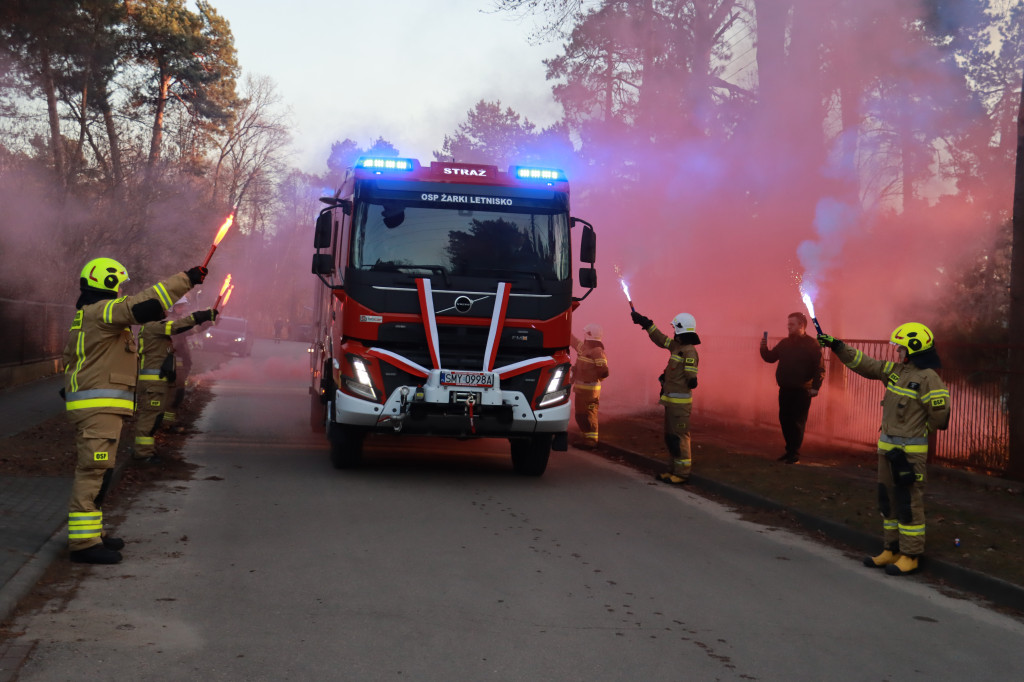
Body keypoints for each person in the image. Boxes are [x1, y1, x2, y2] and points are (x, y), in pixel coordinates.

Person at [62, 258, 207, 564]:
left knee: (101, 472)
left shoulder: (92, 315)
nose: (121, 291)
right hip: (97, 408)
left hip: (100, 407)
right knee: (93, 471)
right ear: (108, 282)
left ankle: (92, 533)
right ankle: (83, 543)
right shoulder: (101, 311)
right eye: (119, 285)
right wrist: (187, 278)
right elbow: (143, 304)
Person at [817, 322, 950, 576]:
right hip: (887, 453)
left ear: (913, 349)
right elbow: (865, 364)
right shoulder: (896, 371)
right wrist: (837, 346)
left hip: (909, 456)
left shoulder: (929, 379)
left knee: (909, 502)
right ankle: (892, 549)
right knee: (887, 500)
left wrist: (917, 432)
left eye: (900, 348)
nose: (897, 352)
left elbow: (940, 418)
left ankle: (910, 555)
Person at [133, 301, 217, 463]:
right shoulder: (153, 327)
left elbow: (183, 330)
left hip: (158, 380)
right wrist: (200, 316)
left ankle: (147, 451)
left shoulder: (155, 327)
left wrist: (205, 321)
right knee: (150, 417)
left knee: (155, 416)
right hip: (153, 382)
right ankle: (143, 453)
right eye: (162, 310)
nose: (165, 312)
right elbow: (177, 326)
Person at [630, 310, 700, 484]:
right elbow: (661, 339)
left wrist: (692, 379)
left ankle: (682, 473)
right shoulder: (677, 347)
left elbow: (691, 376)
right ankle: (672, 470)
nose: (673, 332)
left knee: (680, 437)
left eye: (675, 329)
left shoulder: (689, 352)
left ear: (681, 330)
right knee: (671, 438)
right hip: (671, 403)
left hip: (680, 406)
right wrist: (647, 324)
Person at [759, 312, 825, 464]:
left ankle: (794, 453)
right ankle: (789, 450)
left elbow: (820, 368)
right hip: (785, 388)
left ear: (801, 325)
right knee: (785, 419)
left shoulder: (812, 344)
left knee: (797, 422)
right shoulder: (785, 343)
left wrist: (816, 387)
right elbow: (770, 358)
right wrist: (763, 348)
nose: (788, 327)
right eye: (788, 324)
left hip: (802, 390)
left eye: (792, 324)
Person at [569, 323, 609, 449]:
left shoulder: (598, 352)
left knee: (590, 415)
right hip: (580, 390)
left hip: (591, 392)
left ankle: (591, 441)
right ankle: (584, 438)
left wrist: (601, 374)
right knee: (580, 415)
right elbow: (573, 341)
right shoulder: (584, 349)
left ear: (589, 335)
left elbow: (604, 371)